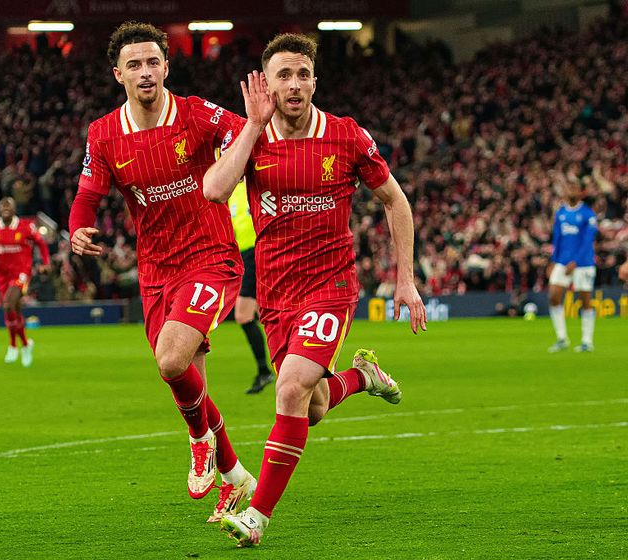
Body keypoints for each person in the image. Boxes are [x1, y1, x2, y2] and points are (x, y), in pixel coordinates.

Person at [203, 33, 427, 547]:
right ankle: (363, 376)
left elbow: (396, 201)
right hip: (276, 294)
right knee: (315, 402)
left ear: (314, 80)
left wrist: (405, 280)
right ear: (266, 84)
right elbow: (215, 190)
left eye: (303, 73)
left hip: (330, 285)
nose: (295, 84)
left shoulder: (346, 136)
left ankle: (257, 515)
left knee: (290, 388)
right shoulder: (249, 136)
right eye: (283, 74)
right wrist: (253, 124)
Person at [68, 22, 256, 523]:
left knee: (171, 361)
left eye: (153, 62)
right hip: (156, 268)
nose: (146, 72)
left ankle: (198, 440)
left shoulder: (195, 113)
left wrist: (240, 147)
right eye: (135, 64)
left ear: (166, 67)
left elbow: (244, 130)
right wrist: (78, 229)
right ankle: (236, 479)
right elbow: (88, 196)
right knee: (193, 380)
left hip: (210, 256)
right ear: (118, 74)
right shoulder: (104, 133)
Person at [0, 197, 51, 367]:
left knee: (8, 305)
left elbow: (41, 243)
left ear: (15, 209)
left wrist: (46, 263)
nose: (6, 207)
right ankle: (25, 344)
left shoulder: (25, 226)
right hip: (2, 276)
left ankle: (12, 346)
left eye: (9, 205)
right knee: (14, 310)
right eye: (3, 205)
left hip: (21, 273)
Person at [228, 181, 275, 394]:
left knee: (244, 315)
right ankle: (275, 367)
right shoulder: (230, 191)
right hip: (245, 256)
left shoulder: (254, 182)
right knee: (265, 313)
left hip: (259, 251)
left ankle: (266, 370)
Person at [546, 180, 598, 353]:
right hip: (562, 262)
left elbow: (587, 241)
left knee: (585, 300)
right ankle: (562, 338)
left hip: (583, 263)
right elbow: (557, 239)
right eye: (569, 188)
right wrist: (553, 261)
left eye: (575, 188)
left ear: (580, 192)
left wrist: (575, 260)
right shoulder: (561, 214)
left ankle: (586, 341)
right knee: (553, 296)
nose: (571, 191)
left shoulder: (587, 214)